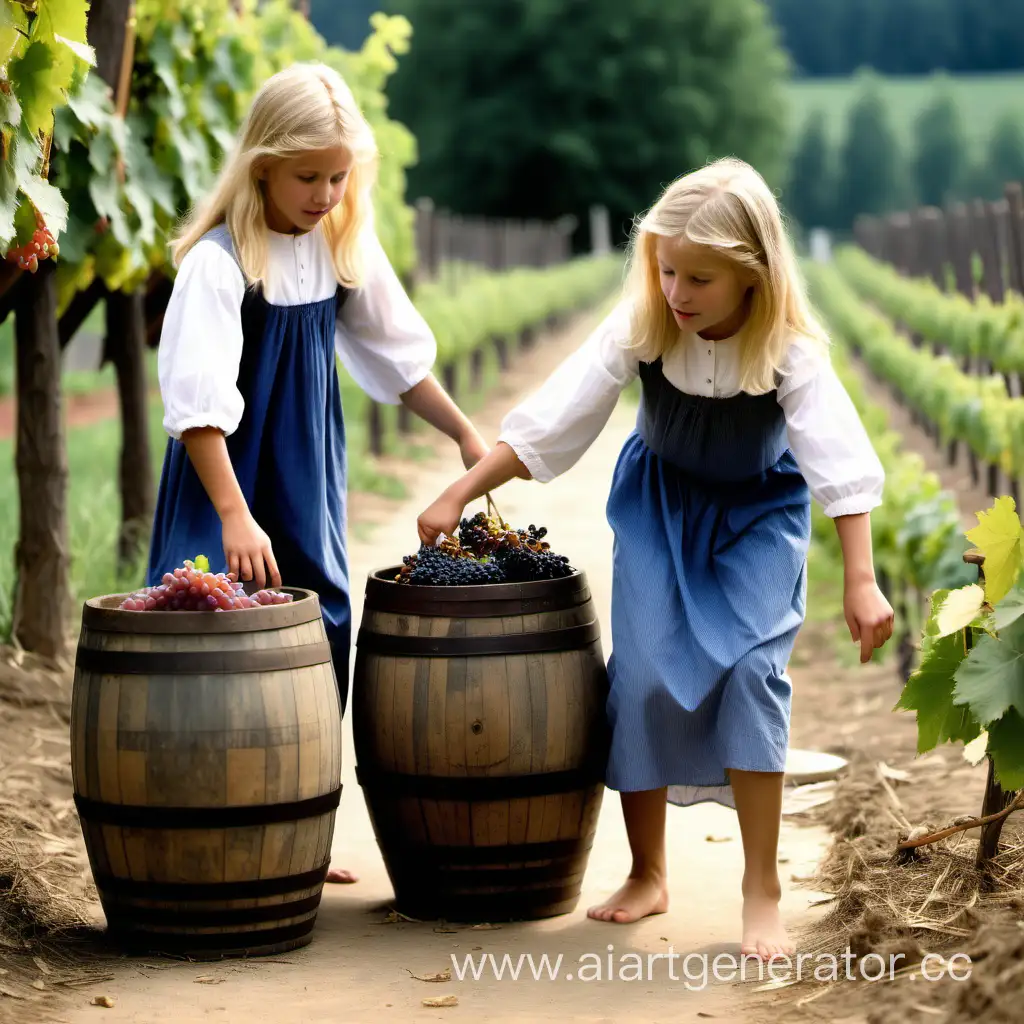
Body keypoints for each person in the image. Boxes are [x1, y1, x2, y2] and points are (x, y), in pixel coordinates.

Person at [415, 157, 893, 959]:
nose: (678, 290)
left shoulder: (790, 351)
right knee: (638, 674)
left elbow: (839, 462)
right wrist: (460, 491)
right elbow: (554, 421)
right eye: (668, 269)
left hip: (757, 515)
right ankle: (647, 870)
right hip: (658, 505)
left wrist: (863, 578)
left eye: (700, 277)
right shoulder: (644, 325)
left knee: (753, 675)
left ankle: (760, 885)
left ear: (754, 276)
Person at [147, 62, 488, 886]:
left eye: (339, 176)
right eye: (309, 176)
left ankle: (298, 828)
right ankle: (203, 835)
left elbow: (398, 361)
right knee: (213, 632)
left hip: (305, 469)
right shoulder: (220, 263)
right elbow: (197, 406)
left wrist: (468, 437)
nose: (327, 192)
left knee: (323, 625)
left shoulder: (340, 247)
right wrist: (232, 513)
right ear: (262, 164)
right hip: (224, 472)